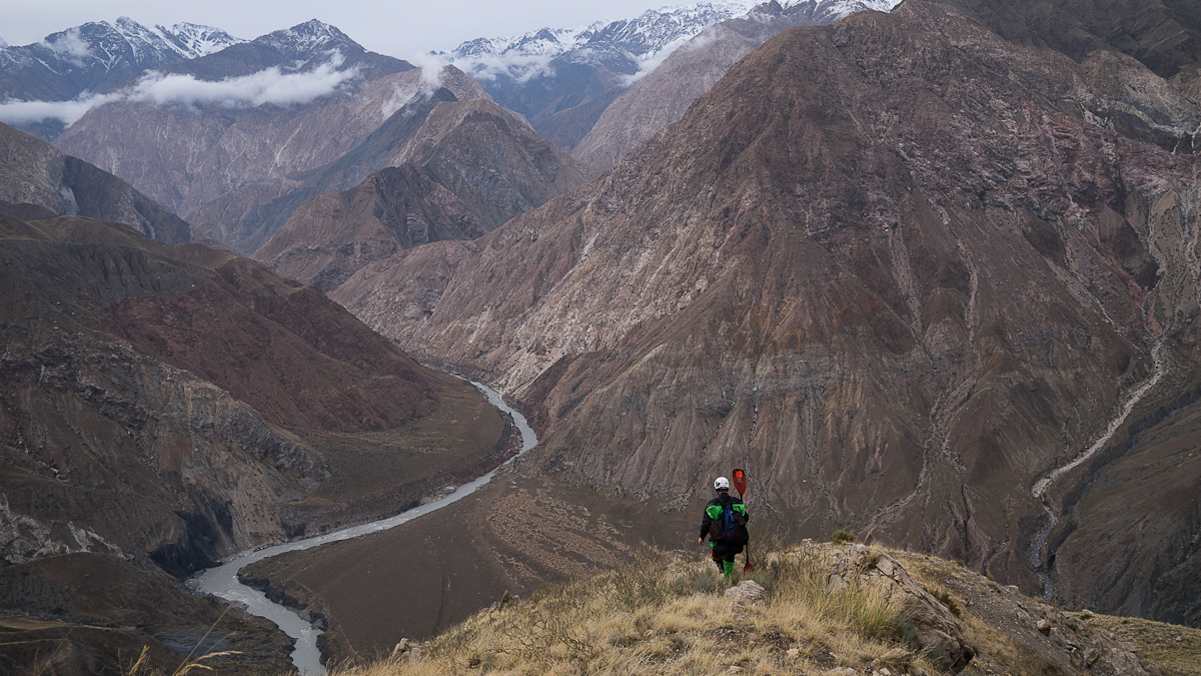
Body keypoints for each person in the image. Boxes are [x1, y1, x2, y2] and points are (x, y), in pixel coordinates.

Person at [697, 476, 749, 579]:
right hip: (737, 540)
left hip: (720, 540)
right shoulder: (737, 502)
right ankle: (728, 577)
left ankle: (723, 573)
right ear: (728, 488)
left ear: (716, 488)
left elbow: (706, 523)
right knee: (730, 555)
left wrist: (701, 536)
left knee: (717, 555)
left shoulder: (712, 505)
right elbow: (746, 518)